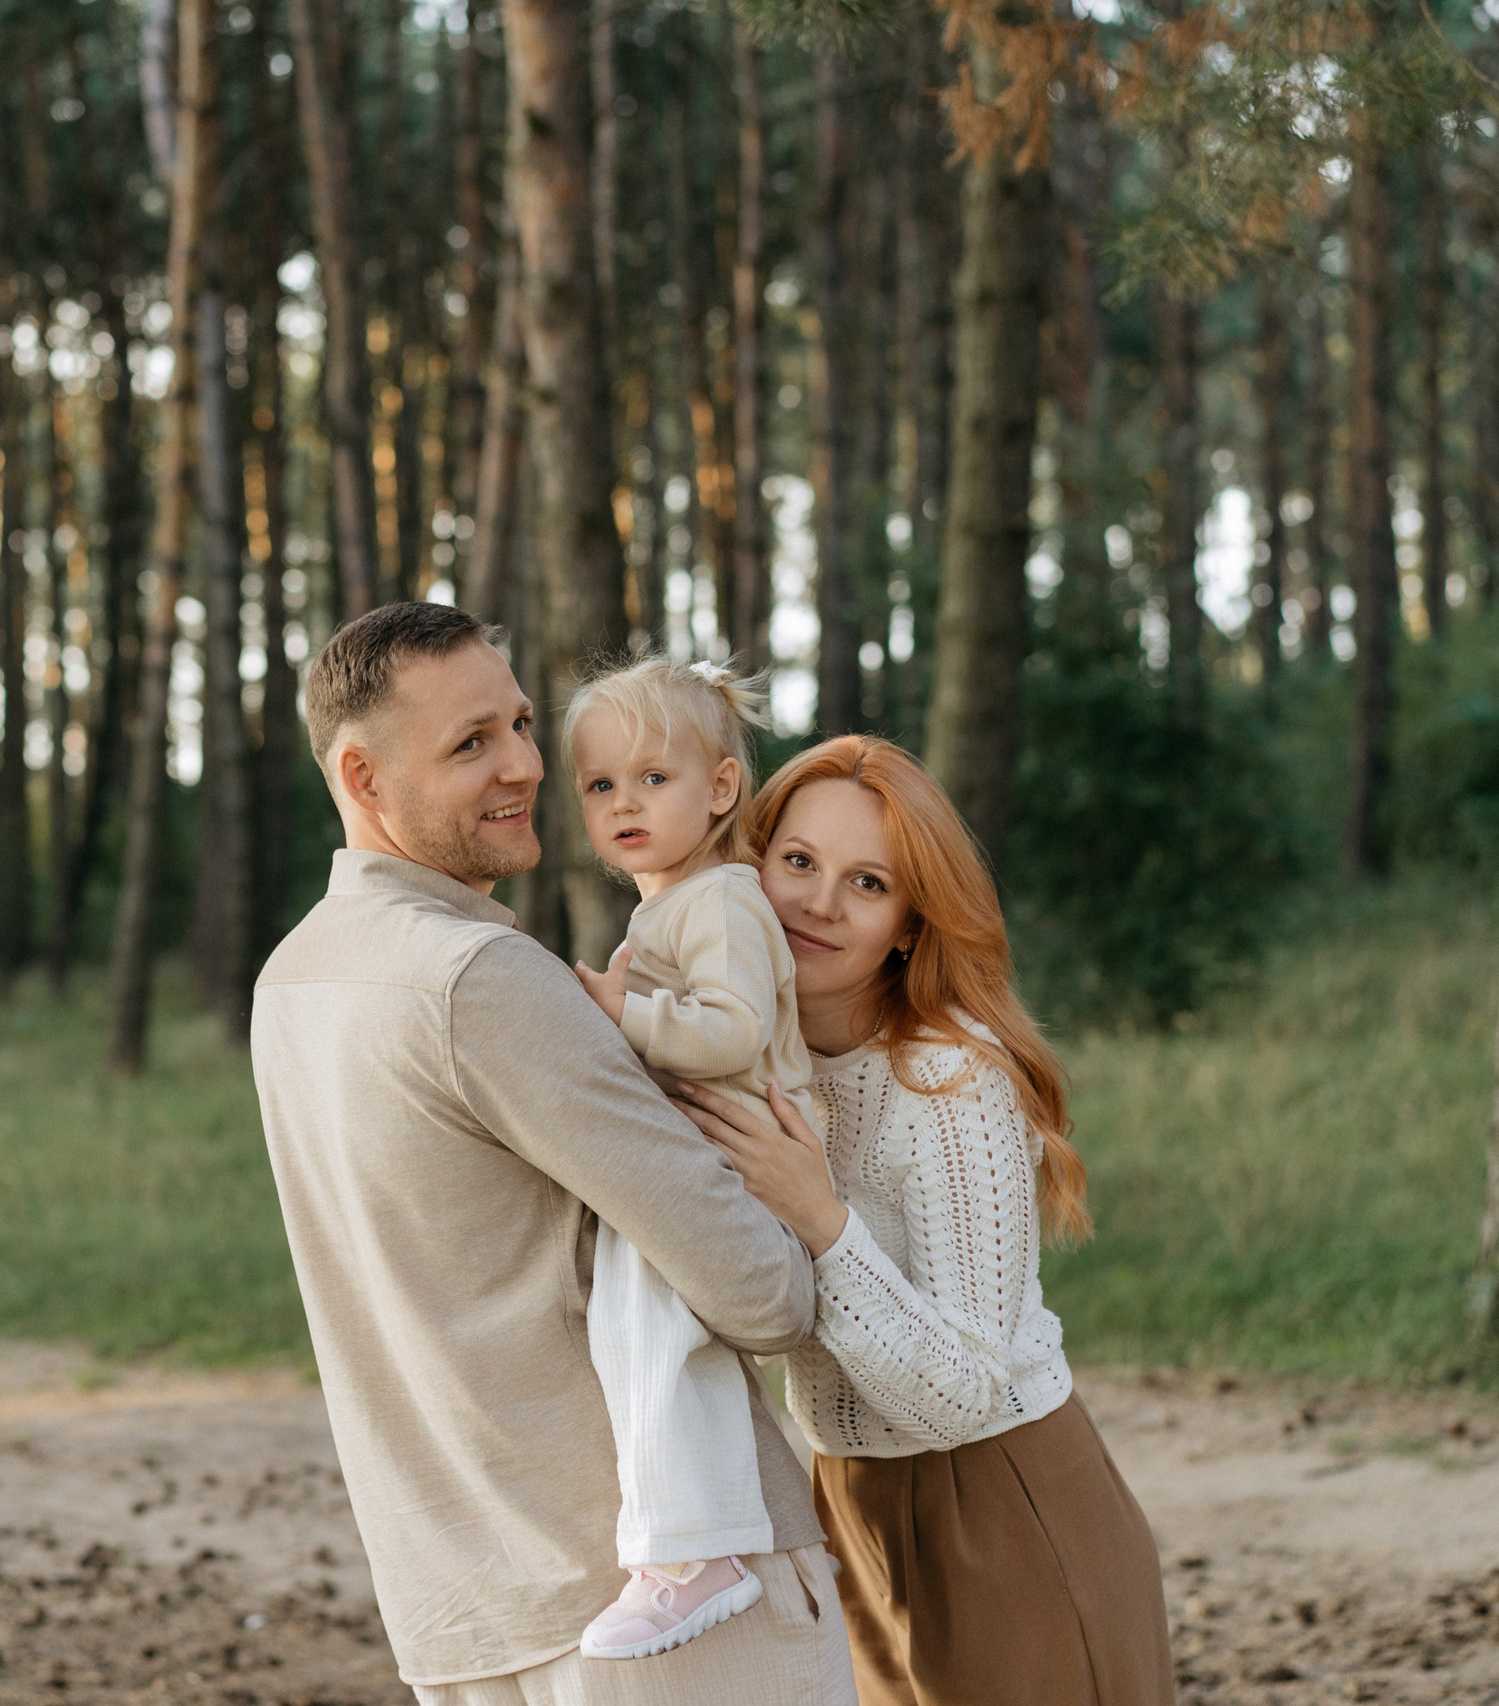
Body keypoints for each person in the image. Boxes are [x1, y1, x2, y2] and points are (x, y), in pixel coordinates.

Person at [250, 603, 859, 1706]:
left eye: (522, 722)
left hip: (460, 1608)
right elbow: (764, 1294)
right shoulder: (483, 975)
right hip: (662, 1609)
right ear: (362, 772)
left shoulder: (290, 982)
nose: (526, 764)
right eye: (470, 741)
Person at [674, 735, 1176, 1706]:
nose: (818, 901)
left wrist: (819, 1216)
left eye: (866, 882)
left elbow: (960, 1392)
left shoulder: (950, 1079)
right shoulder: (747, 1058)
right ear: (754, 862)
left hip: (1001, 1505)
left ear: (908, 923)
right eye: (799, 862)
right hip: (845, 1504)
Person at [561, 654, 814, 1659]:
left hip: (749, 1171)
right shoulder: (670, 903)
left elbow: (731, 1033)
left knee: (653, 1321)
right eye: (599, 785)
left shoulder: (718, 900)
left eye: (652, 778)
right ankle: (672, 1543)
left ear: (719, 789)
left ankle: (696, 1551)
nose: (624, 802)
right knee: (633, 1319)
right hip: (714, 1163)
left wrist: (627, 1011)